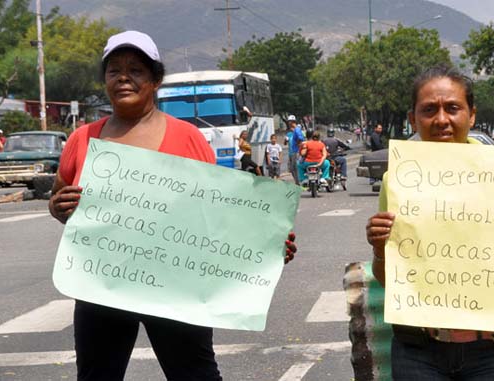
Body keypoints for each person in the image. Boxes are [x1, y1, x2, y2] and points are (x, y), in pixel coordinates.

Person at [48, 30, 297, 381]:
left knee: (195, 374)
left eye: (135, 70)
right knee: (96, 375)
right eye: (113, 70)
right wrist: (59, 206)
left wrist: (264, 242)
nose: (123, 78)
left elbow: (218, 212)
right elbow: (59, 198)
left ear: (155, 80)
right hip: (100, 285)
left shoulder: (188, 138)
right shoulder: (82, 138)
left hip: (175, 286)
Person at [366, 65, 494, 380]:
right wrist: (379, 248)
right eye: (429, 110)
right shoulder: (396, 182)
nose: (441, 119)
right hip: (419, 353)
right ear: (413, 119)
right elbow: (390, 279)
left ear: (471, 115)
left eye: (452, 108)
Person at [287, 115, 304, 185]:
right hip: (293, 151)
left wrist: (297, 144)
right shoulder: (294, 130)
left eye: (289, 121)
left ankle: (298, 182)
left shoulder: (297, 129)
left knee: (295, 168)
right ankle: (297, 182)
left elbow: (301, 138)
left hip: (296, 151)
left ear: (292, 122)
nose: (288, 123)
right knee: (292, 168)